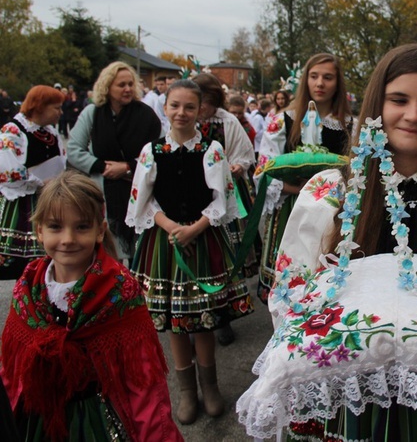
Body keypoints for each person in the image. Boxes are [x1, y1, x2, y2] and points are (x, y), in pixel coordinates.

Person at [238, 44, 417, 440]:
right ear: (377, 104)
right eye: (399, 99)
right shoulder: (328, 193)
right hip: (349, 396)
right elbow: (291, 297)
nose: (412, 115)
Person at [0, 170, 183, 441]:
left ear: (100, 230)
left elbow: (143, 382)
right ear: (39, 231)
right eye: (55, 226)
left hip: (94, 419)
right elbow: (10, 368)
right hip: (37, 416)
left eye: (82, 227)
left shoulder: (119, 291)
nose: (68, 239)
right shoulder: (28, 287)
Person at [126, 79, 253, 425]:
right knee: (174, 323)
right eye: (175, 106)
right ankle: (185, 391)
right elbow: (143, 201)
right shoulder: (151, 152)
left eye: (189, 107)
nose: (181, 113)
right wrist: (170, 227)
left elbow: (223, 199)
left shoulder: (211, 150)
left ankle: (209, 386)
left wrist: (195, 228)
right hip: (165, 244)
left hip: (202, 239)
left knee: (204, 320)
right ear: (165, 108)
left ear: (200, 111)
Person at [254, 53, 354, 303]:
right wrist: (297, 189)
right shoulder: (283, 122)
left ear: (337, 83)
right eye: (314, 76)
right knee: (288, 285)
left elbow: (357, 170)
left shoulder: (349, 125)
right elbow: (263, 171)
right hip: (291, 208)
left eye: (328, 77)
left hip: (333, 212)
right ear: (305, 81)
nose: (320, 83)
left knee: (327, 287)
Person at [67, 61, 162, 263]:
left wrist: (128, 167)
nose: (127, 89)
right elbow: (74, 149)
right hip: (102, 190)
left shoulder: (146, 115)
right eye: (121, 85)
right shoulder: (92, 113)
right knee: (108, 252)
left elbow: (159, 151)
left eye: (130, 84)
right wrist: (101, 166)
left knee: (140, 252)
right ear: (107, 86)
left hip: (137, 188)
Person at [192, 73, 256, 346]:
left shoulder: (225, 121)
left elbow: (245, 153)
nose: (200, 107)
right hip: (193, 197)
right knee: (196, 256)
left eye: (204, 101)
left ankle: (223, 317)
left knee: (221, 256)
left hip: (224, 194)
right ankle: (195, 316)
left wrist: (238, 166)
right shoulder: (185, 119)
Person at [0, 85, 66, 279]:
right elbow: (7, 168)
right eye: (56, 107)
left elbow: (61, 162)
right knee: (18, 262)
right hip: (21, 203)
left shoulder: (50, 132)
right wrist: (38, 182)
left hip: (48, 199)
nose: (60, 113)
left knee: (45, 262)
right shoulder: (13, 130)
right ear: (40, 107)